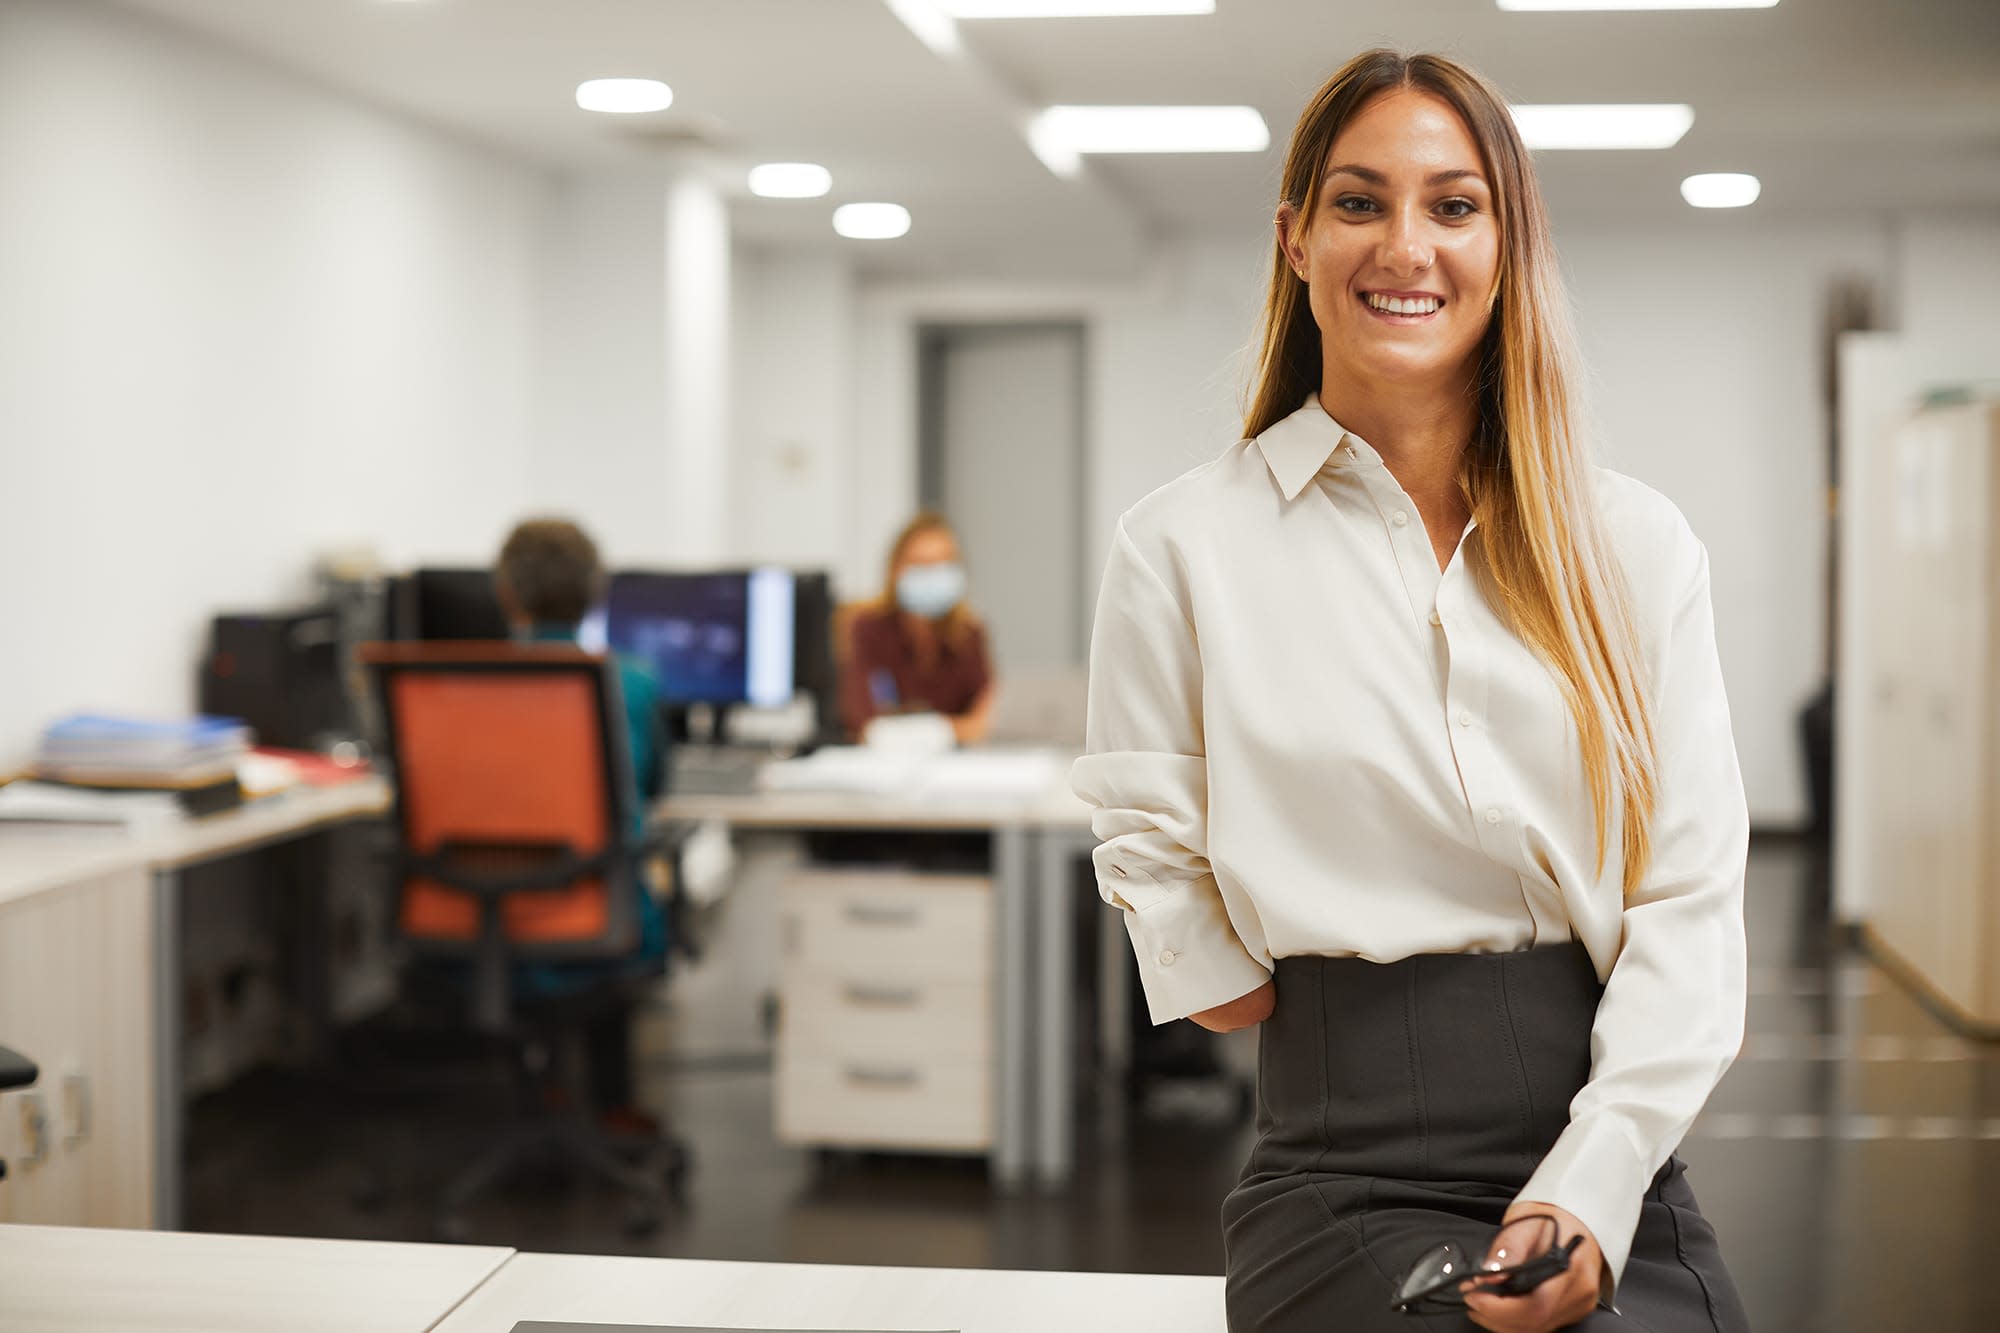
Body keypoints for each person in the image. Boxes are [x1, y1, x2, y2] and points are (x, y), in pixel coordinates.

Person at [1071, 50, 1750, 1333]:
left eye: (1452, 205)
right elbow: (1162, 874)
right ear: (1294, 241)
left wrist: (1586, 1192)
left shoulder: (1633, 545)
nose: (1404, 246)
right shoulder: (1180, 545)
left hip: (1613, 1156)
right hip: (1342, 1166)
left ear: (1507, 243)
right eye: (1356, 202)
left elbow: (1689, 906)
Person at [493, 517, 669, 1130]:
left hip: (485, 914)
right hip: (597, 914)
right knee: (618, 877)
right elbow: (651, 790)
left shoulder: (463, 688)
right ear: (597, 593)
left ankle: (544, 1099)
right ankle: (613, 1106)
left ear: (506, 594)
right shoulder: (634, 684)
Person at [839, 511, 996, 745]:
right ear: (895, 570)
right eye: (922, 564)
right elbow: (864, 724)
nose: (934, 574)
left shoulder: (969, 634)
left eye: (944, 564)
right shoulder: (868, 629)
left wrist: (934, 732)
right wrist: (948, 730)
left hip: (956, 767)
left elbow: (986, 718)